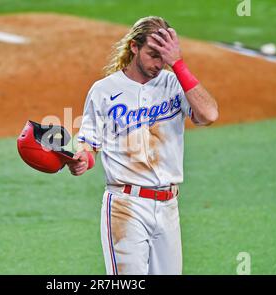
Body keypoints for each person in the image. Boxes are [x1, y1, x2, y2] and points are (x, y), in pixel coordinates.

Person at [67, 16, 218, 275]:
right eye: (152, 54)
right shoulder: (104, 90)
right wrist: (83, 159)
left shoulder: (173, 83)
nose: (158, 64)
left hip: (169, 206)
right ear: (134, 47)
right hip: (126, 205)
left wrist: (178, 64)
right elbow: (89, 143)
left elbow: (209, 114)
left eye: (164, 57)